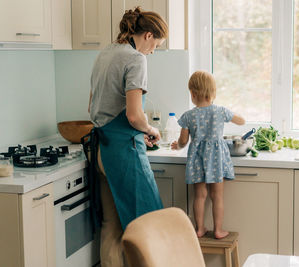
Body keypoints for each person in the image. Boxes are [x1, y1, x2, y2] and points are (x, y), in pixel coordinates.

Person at [87, 7, 168, 267]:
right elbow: (134, 116)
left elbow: (92, 106)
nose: (153, 50)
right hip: (123, 154)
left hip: (100, 151)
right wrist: (150, 130)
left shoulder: (105, 53)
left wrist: (134, 131)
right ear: (147, 35)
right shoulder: (135, 59)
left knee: (112, 226)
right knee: (146, 224)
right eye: (156, 44)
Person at [171, 71, 245, 239]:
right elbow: (241, 121)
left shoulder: (188, 116)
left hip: (197, 159)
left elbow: (183, 140)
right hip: (216, 158)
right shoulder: (220, 111)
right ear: (213, 92)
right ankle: (218, 230)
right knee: (217, 196)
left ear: (193, 93)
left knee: (200, 195)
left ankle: (199, 229)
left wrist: (178, 145)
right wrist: (233, 114)